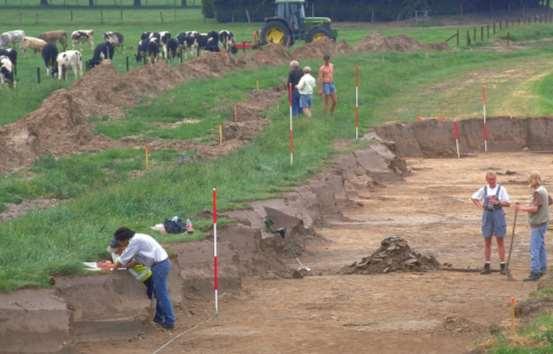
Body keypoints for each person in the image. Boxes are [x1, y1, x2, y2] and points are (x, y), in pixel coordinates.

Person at [109, 227, 176, 330]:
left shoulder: (135, 241)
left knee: (161, 294)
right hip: (161, 264)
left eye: (121, 243)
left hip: (159, 266)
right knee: (158, 293)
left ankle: (169, 321)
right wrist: (127, 265)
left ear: (125, 239)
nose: (121, 245)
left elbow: (123, 259)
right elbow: (140, 258)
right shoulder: (140, 237)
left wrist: (111, 267)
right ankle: (158, 318)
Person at [471, 171, 511, 275]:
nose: (492, 182)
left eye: (494, 180)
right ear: (487, 180)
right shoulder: (484, 189)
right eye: (490, 180)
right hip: (487, 216)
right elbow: (474, 198)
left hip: (498, 215)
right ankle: (487, 265)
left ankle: (503, 266)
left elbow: (508, 203)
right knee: (487, 240)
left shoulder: (501, 189)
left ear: (496, 179)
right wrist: (481, 207)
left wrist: (498, 202)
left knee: (500, 240)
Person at [515, 172, 552, 281]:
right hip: (544, 222)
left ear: (532, 181)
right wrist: (535, 207)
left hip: (538, 223)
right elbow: (550, 201)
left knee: (535, 248)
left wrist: (521, 208)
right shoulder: (544, 190)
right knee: (541, 247)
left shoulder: (537, 192)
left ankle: (535, 272)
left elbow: (535, 209)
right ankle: (542, 269)